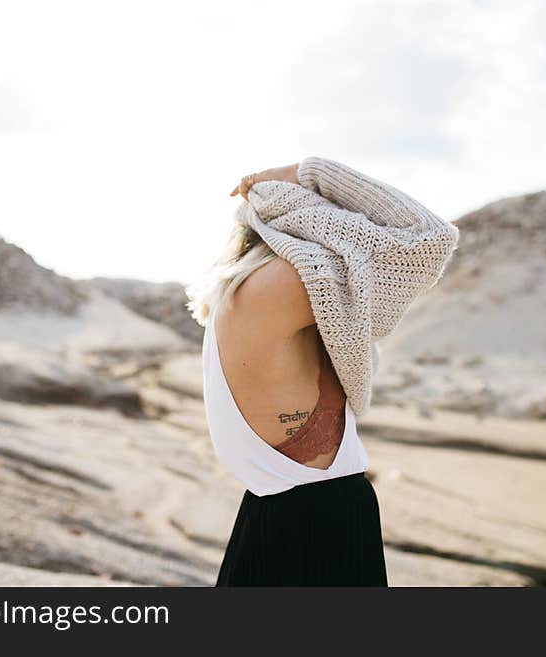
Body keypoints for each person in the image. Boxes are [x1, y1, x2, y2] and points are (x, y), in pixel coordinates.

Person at [185, 156, 460, 586]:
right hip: (315, 523)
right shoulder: (278, 284)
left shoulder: (247, 292)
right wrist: (307, 173)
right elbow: (428, 238)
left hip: (282, 514)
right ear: (302, 218)